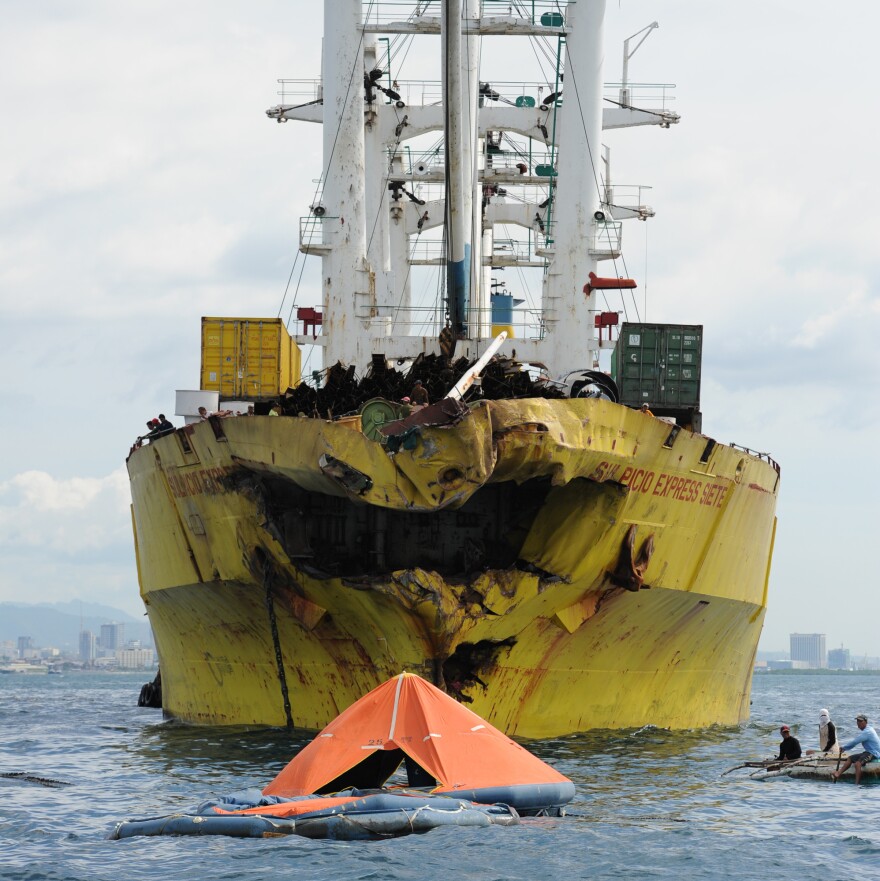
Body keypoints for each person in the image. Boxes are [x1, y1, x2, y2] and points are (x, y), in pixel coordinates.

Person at [831, 714, 880, 783]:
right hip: (868, 752)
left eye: (860, 721)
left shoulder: (867, 732)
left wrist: (844, 748)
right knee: (850, 758)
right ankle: (838, 773)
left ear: (866, 722)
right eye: (857, 721)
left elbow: (855, 742)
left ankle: (857, 784)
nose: (858, 723)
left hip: (874, 753)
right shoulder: (867, 729)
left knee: (857, 764)